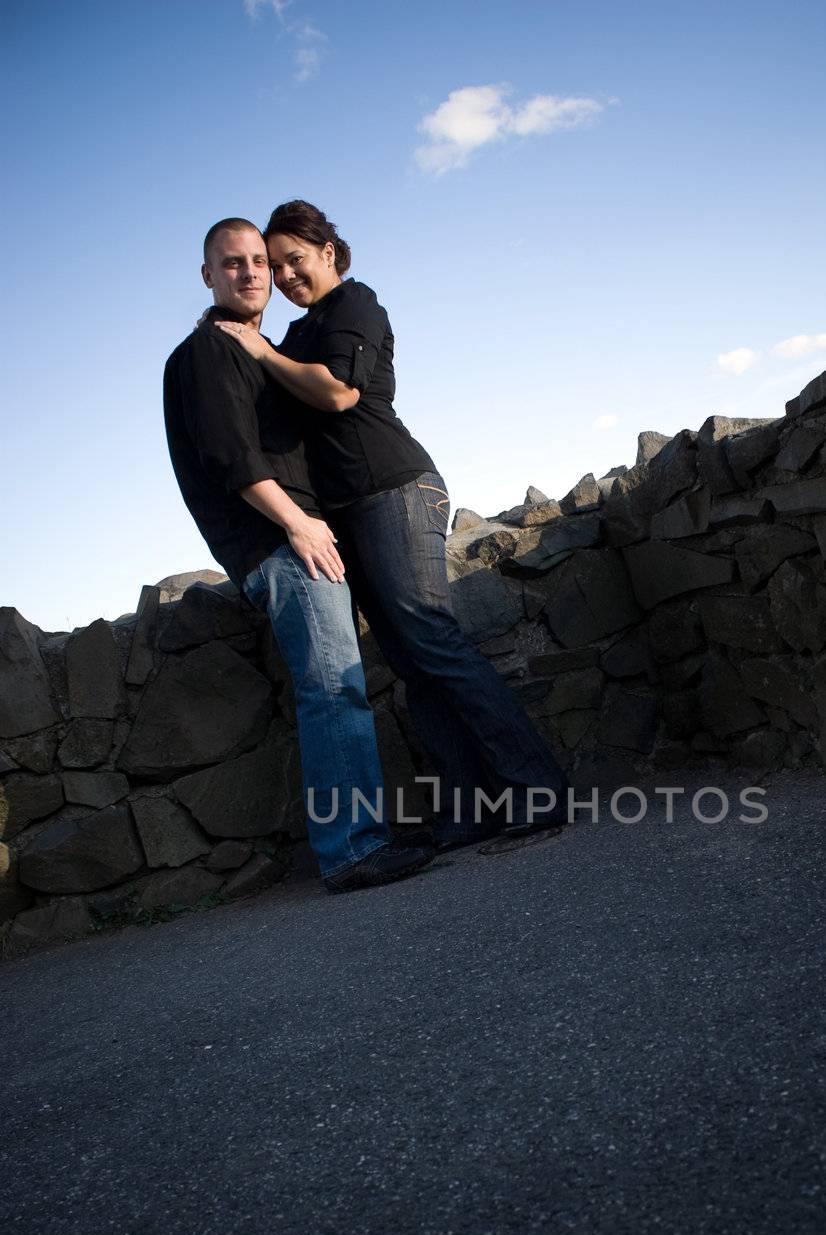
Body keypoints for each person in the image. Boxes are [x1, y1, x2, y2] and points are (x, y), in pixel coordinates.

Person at [212, 198, 568, 852]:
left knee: (432, 641)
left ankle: (536, 789)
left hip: (396, 491)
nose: (286, 275)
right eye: (276, 265)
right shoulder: (296, 334)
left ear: (329, 253)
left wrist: (258, 349)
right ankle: (470, 810)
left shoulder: (355, 305)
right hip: (348, 513)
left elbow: (339, 393)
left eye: (296, 260)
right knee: (410, 662)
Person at [162, 217, 434, 893]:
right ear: (207, 275)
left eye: (259, 261)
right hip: (279, 543)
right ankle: (351, 849)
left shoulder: (252, 346)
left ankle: (358, 839)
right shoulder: (209, 351)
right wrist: (299, 525)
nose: (253, 273)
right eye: (233, 263)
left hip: (291, 537)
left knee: (338, 686)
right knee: (333, 689)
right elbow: (231, 458)